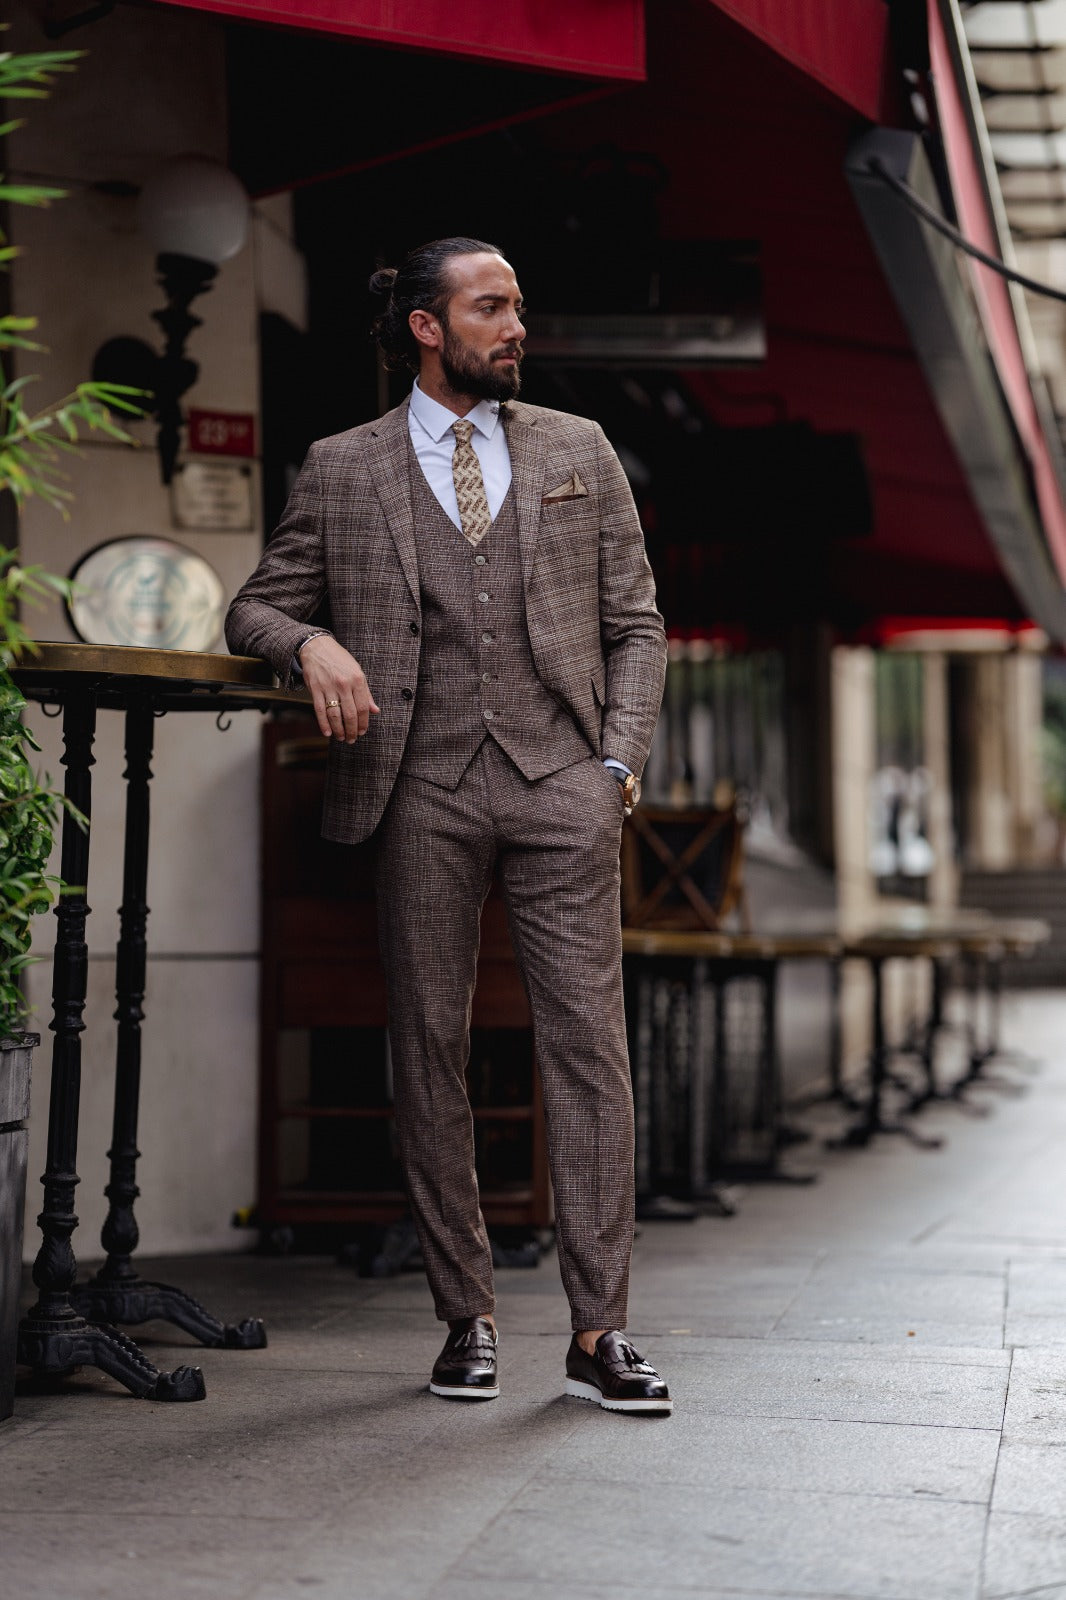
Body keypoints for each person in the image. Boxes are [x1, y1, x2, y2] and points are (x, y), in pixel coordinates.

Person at [226, 237, 671, 1414]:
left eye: (518, 304)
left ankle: (596, 1331)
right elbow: (256, 605)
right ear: (427, 326)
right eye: (491, 306)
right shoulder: (342, 467)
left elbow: (637, 623)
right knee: (427, 1046)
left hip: (562, 778)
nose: (515, 324)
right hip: (418, 785)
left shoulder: (577, 450)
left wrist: (615, 762)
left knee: (589, 1048)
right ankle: (463, 1315)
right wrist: (313, 640)